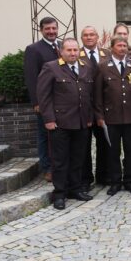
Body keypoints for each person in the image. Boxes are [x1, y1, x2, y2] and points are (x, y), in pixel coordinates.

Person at [36, 38, 94, 210]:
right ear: (61, 51)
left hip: (82, 122)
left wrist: (89, 117)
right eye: (69, 50)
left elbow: (88, 95)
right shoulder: (51, 67)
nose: (72, 53)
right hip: (60, 122)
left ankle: (75, 189)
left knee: (78, 158)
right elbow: (43, 96)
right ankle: (60, 193)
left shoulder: (85, 66)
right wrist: (49, 119)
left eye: (75, 50)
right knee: (60, 160)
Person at [93, 36, 131, 196]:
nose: (122, 48)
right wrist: (99, 116)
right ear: (112, 48)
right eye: (119, 46)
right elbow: (98, 94)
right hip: (111, 117)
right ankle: (115, 182)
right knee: (112, 151)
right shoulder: (102, 67)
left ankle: (130, 181)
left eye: (125, 46)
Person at [23, 16, 60, 182]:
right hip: (45, 101)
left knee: (59, 136)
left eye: (53, 28)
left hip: (62, 100)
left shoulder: (62, 46)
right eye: (48, 29)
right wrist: (36, 102)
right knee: (45, 135)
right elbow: (31, 78)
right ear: (41, 30)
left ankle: (60, 165)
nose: (51, 31)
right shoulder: (33, 49)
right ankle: (48, 168)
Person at [79, 25, 109, 191]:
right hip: (84, 107)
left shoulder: (107, 54)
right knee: (84, 145)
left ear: (97, 37)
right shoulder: (77, 55)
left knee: (104, 143)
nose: (89, 37)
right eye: (86, 35)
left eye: (92, 35)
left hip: (103, 107)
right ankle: (86, 178)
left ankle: (103, 175)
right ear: (81, 38)